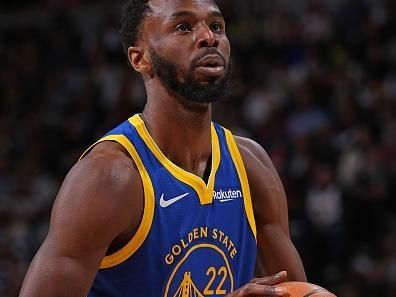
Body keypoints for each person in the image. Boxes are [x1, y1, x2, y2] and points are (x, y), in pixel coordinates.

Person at [19, 0, 306, 296]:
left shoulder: (250, 165)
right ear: (139, 59)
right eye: (183, 27)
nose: (209, 37)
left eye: (217, 26)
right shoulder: (110, 178)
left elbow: (296, 290)